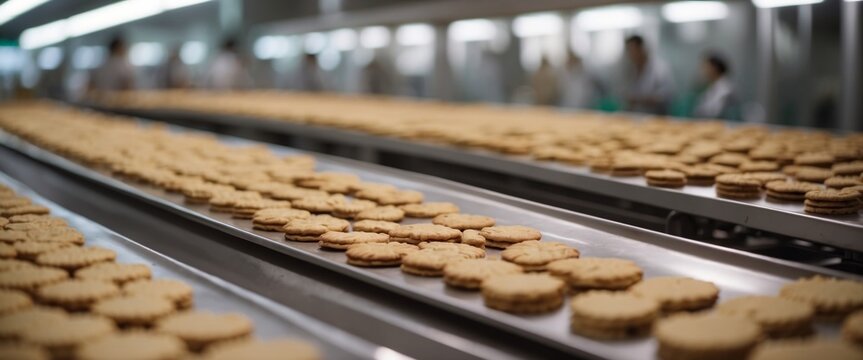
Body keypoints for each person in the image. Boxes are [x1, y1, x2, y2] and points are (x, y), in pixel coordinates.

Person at [623, 35, 674, 115]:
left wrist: (640, 100)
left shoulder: (659, 68)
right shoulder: (632, 70)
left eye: (633, 50)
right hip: (638, 117)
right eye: (628, 51)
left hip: (658, 116)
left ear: (641, 48)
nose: (631, 54)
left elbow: (666, 96)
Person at [694, 53, 735, 119]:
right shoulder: (712, 87)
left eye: (706, 66)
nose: (703, 71)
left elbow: (717, 113)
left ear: (714, 68)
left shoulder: (726, 90)